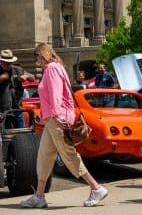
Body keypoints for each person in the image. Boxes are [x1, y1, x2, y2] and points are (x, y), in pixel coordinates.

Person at [20, 43, 108, 208]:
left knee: (69, 154)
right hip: (53, 119)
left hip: (57, 118)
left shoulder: (52, 68)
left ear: (43, 55)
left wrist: (55, 115)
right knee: (44, 156)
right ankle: (39, 195)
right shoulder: (58, 67)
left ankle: (96, 188)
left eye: (37, 57)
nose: (37, 61)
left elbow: (55, 95)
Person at [0, 49, 28, 127]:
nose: (8, 65)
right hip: (3, 111)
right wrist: (0, 79)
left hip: (17, 110)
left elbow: (32, 77)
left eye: (10, 63)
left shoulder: (18, 70)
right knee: (5, 135)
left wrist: (26, 76)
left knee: (20, 134)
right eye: (6, 63)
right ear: (1, 62)